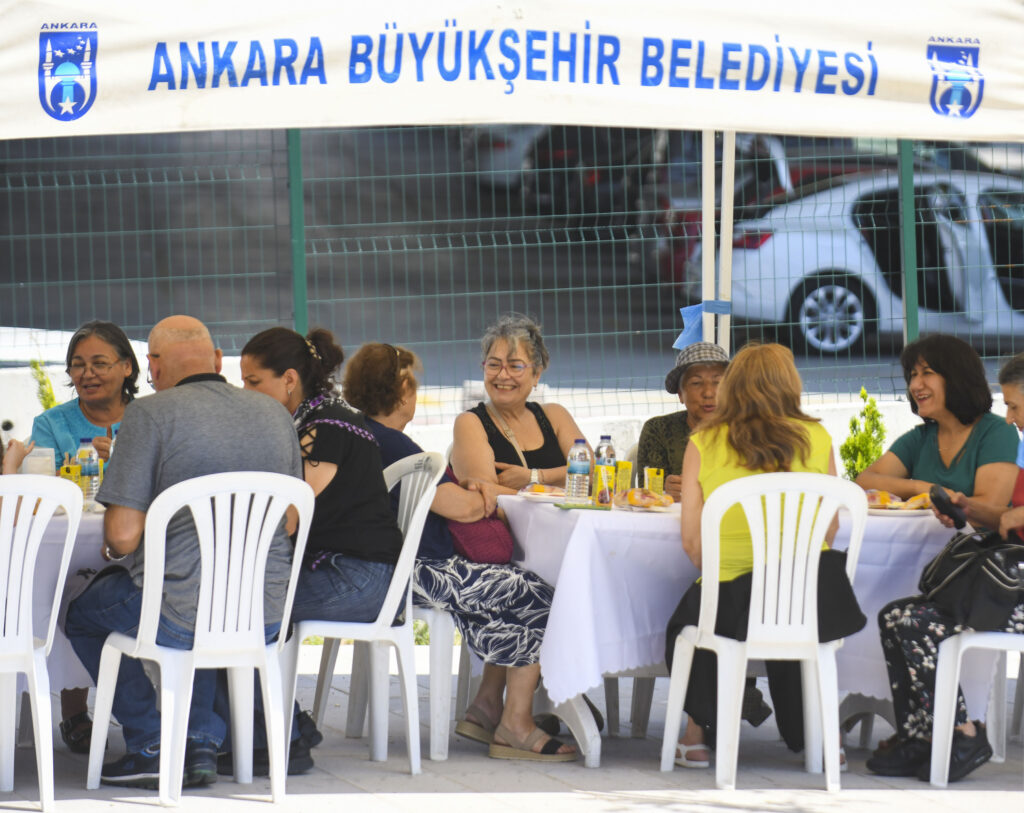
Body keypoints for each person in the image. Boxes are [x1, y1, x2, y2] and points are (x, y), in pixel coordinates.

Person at [65, 315, 303, 789]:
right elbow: (292, 519)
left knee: (82, 615)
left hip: (181, 614)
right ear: (217, 360)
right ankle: (198, 742)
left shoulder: (149, 415)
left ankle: (151, 741)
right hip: (265, 612)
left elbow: (124, 537)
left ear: (151, 365)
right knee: (197, 594)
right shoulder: (274, 413)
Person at [342, 342, 575, 762]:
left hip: (388, 569)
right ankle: (515, 724)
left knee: (514, 588)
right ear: (403, 391)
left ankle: (488, 710)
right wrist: (483, 496)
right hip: (419, 571)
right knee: (539, 594)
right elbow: (463, 507)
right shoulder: (394, 445)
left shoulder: (359, 433)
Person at [666, 343, 862, 769]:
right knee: (785, 602)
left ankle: (696, 736)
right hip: (805, 600)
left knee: (696, 613)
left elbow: (692, 543)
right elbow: (830, 528)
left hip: (730, 598)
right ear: (790, 385)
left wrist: (730, 576)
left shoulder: (704, 442)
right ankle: (822, 737)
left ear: (732, 385)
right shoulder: (819, 437)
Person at [237, 326, 404, 768]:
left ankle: (278, 736)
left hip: (361, 578)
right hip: (344, 569)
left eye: (254, 382)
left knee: (237, 609)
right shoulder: (313, 418)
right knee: (234, 604)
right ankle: (278, 729)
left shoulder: (324, 427)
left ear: (289, 379)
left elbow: (289, 516)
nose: (245, 391)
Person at [867, 352, 1024, 783]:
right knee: (896, 616)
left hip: (1014, 587)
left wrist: (1002, 512)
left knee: (916, 621)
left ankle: (962, 732)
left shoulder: (996, 436)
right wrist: (956, 501)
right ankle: (921, 736)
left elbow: (1004, 514)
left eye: (1013, 405)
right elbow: (1001, 515)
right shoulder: (924, 436)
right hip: (1007, 580)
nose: (1008, 418)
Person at [30, 319, 141, 754]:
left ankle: (148, 708)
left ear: (127, 368)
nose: (87, 374)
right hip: (66, 538)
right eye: (77, 365)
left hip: (134, 542)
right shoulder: (52, 423)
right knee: (59, 590)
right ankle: (73, 711)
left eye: (99, 363)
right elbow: (40, 483)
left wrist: (125, 458)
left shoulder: (148, 420)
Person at [855, 334, 1018, 508]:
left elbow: (989, 507)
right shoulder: (920, 438)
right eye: (913, 375)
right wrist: (922, 488)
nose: (915, 385)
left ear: (958, 378)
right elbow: (864, 481)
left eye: (927, 373)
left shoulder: (997, 432)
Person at [451, 313, 588, 495]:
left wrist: (533, 477)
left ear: (536, 375)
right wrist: (557, 488)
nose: (502, 375)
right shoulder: (470, 423)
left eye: (515, 366)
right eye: (493, 365)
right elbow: (485, 493)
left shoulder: (555, 416)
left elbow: (590, 472)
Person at [637, 342, 729, 501]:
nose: (708, 393)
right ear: (680, 394)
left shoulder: (746, 430)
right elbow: (646, 492)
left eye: (717, 382)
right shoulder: (658, 429)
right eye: (696, 383)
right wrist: (666, 490)